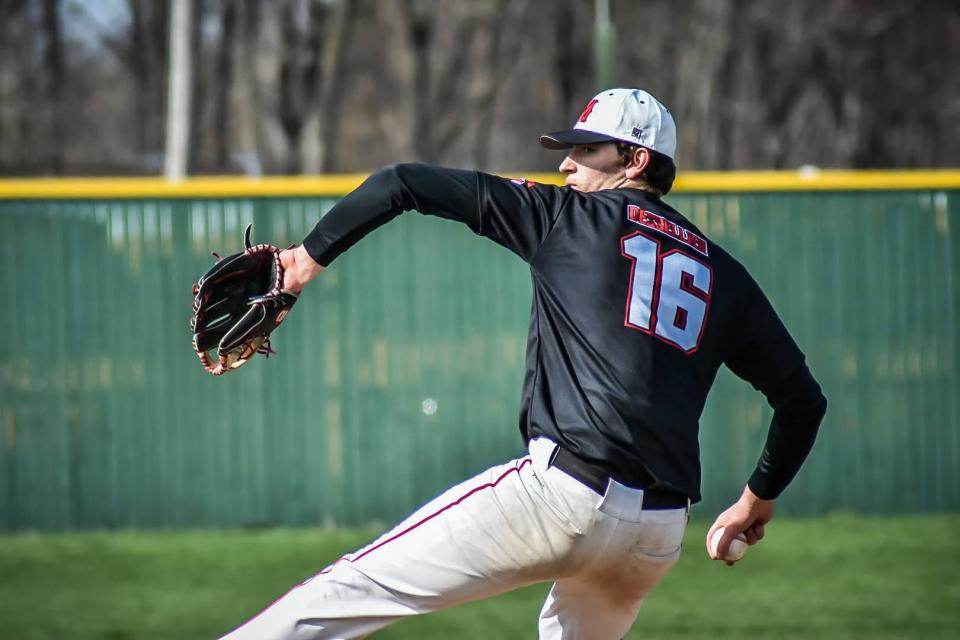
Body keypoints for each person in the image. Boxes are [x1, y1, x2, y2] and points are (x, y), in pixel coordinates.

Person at [219, 88, 827, 640]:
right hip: (657, 536)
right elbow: (803, 402)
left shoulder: (567, 216)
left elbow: (403, 182)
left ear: (635, 160)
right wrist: (757, 500)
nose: (567, 164)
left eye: (586, 150)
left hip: (562, 497)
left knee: (352, 590)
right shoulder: (725, 274)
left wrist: (300, 263)